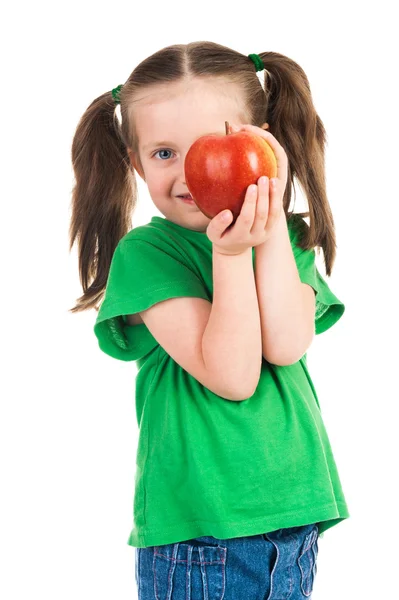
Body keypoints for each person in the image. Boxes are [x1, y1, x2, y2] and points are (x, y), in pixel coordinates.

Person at [69, 41, 350, 599]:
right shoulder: (149, 255)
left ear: (260, 143)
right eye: (164, 154)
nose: (192, 170)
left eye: (210, 145)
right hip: (202, 533)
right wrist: (228, 257)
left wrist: (266, 234)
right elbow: (233, 373)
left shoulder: (288, 240)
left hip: (292, 519)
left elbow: (287, 343)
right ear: (135, 163)